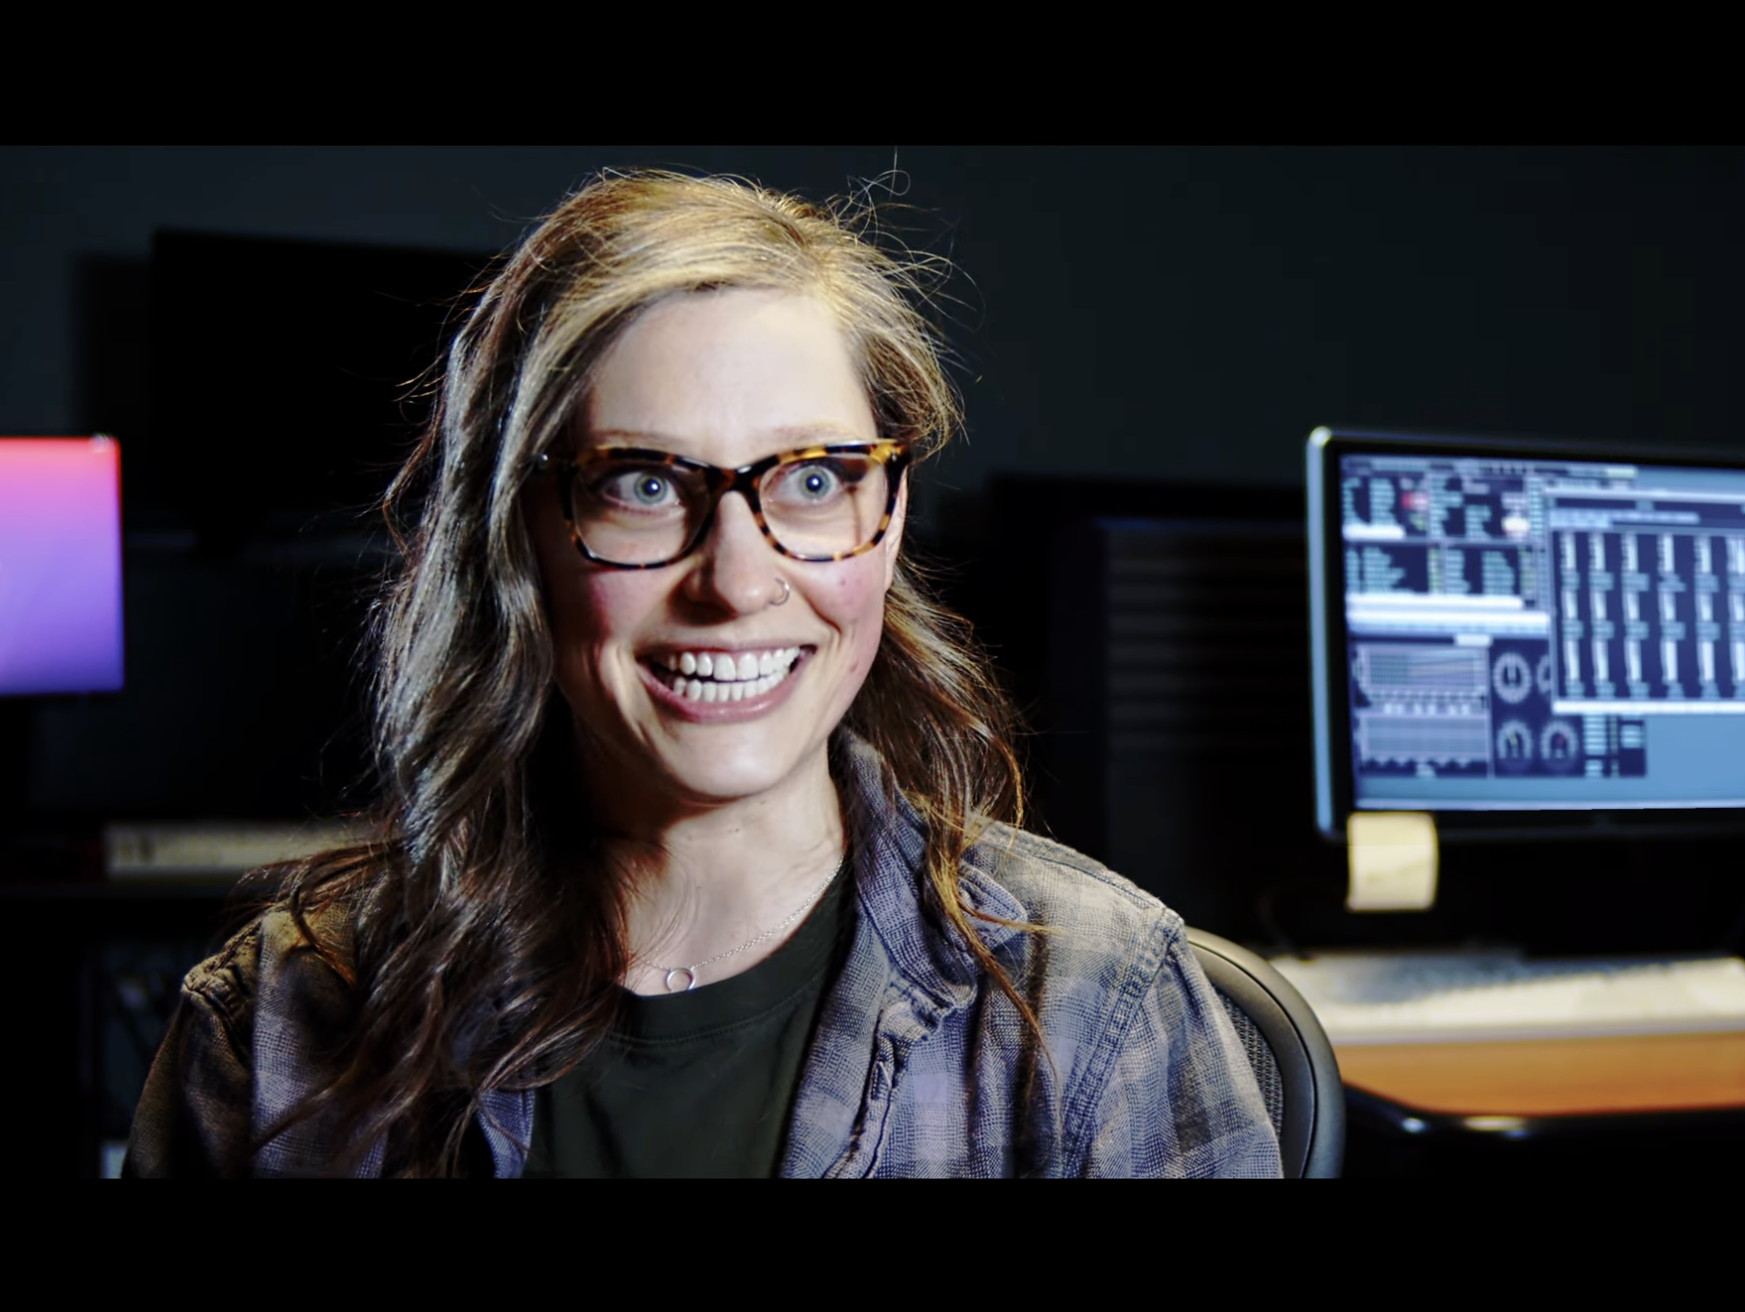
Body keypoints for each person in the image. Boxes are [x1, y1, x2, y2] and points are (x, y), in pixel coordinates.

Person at [127, 171, 1282, 1177]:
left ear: (887, 524)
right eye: (640, 482)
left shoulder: (1096, 1007)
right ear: (517, 531)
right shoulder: (276, 1025)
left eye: (815, 480)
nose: (736, 580)